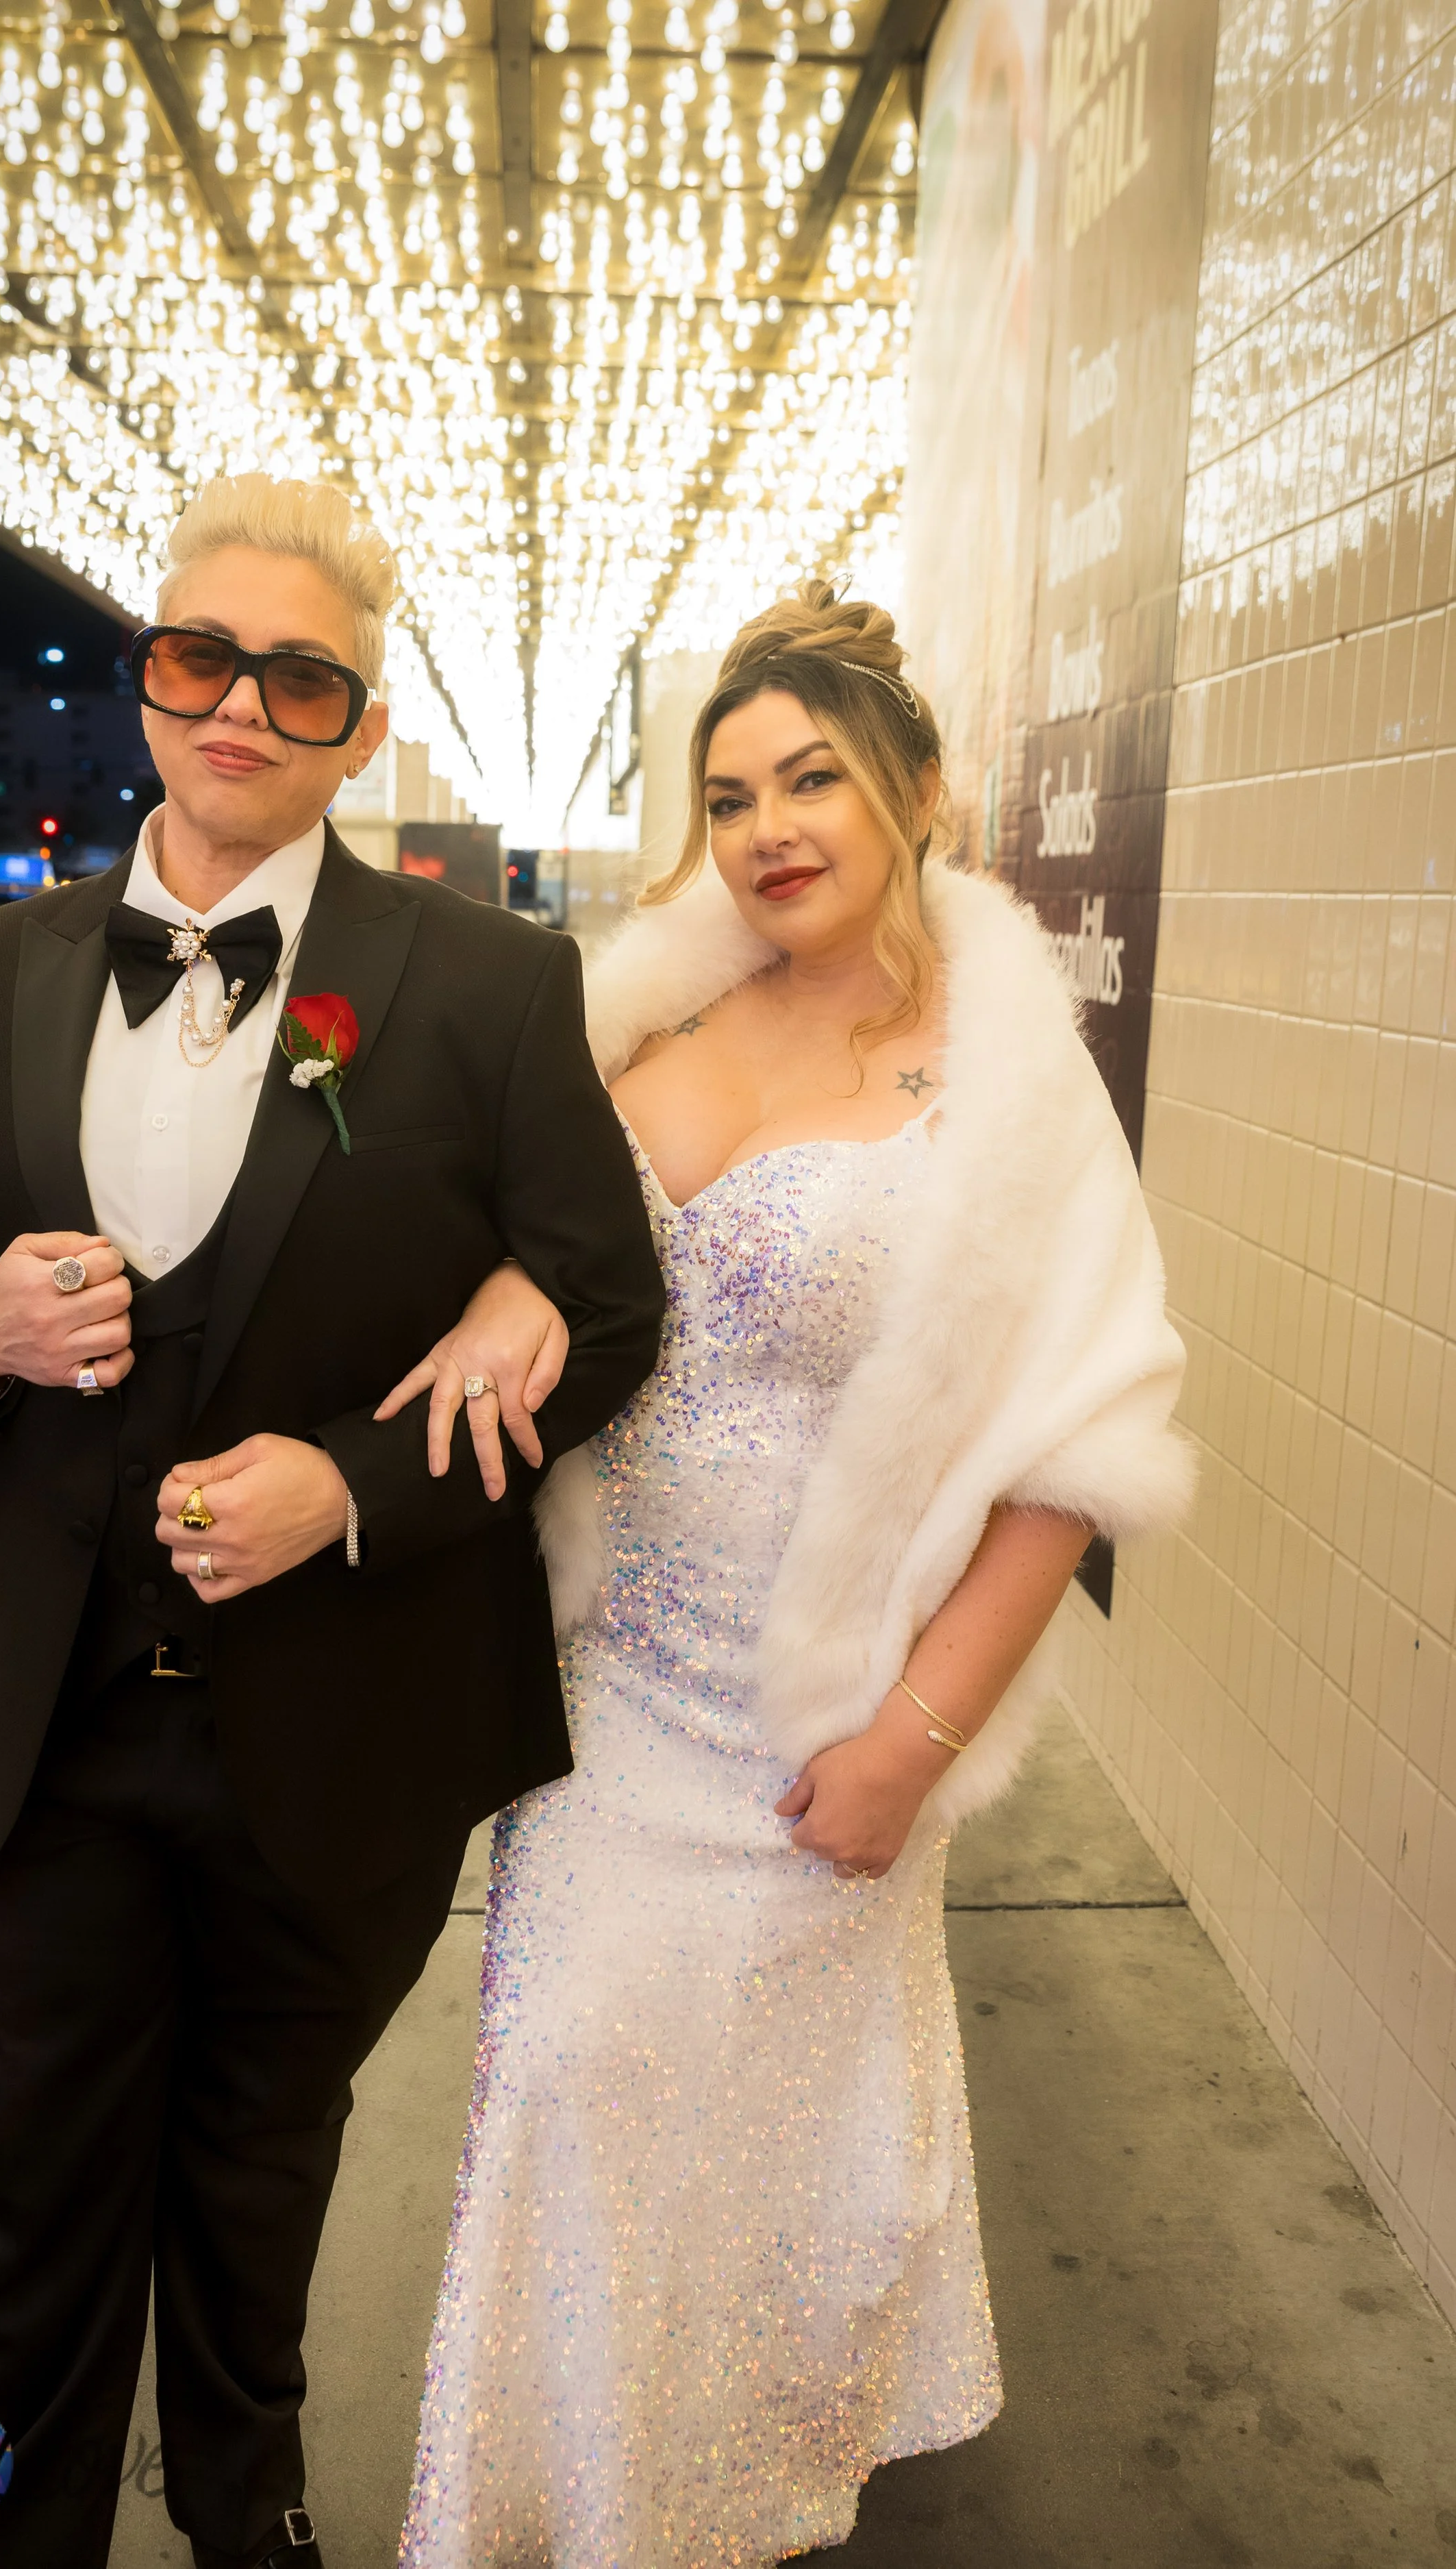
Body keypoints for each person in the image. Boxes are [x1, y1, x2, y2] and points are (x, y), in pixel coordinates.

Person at [0, 473, 665, 2569]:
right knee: (14, 2193)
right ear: (145, 676)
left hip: (347, 1724)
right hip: (56, 1728)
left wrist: (350, 1490)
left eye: (300, 677)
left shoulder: (487, 985)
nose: (238, 710)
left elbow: (604, 1309)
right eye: (198, 659)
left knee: (260, 2173)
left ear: (359, 723)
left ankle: (244, 2510)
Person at [392, 582, 1194, 2566]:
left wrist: (912, 1742)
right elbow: (539, 1252)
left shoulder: (1013, 1086)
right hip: (603, 1698)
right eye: (731, 789)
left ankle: (734, 2498)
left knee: (766, 2175)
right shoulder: (645, 1026)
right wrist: (500, 1294)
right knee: (572, 2093)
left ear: (918, 789)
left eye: (812, 775)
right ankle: (563, 2512)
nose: (768, 823)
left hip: (823, 1714)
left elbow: (1065, 1465)